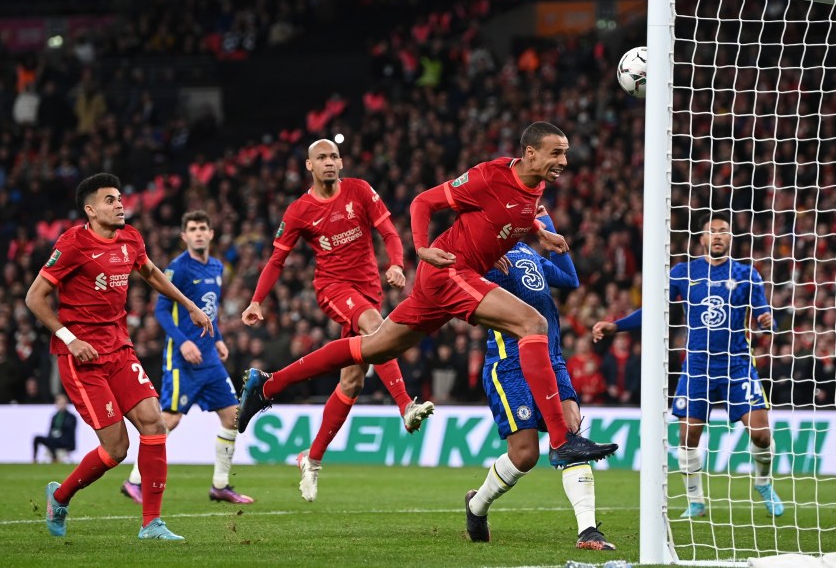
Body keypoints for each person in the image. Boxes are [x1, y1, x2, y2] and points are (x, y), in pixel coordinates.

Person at [238, 122, 618, 470]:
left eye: (565, 153)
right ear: (530, 153)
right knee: (531, 323)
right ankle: (561, 439)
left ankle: (267, 385)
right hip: (448, 269)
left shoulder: (535, 185)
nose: (564, 161)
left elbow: (506, 215)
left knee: (373, 348)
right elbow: (422, 202)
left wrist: (537, 231)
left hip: (444, 280)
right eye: (556, 153)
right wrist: (419, 248)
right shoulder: (488, 175)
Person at [241, 139, 435, 502]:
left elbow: (390, 233)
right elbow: (276, 261)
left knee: (352, 382)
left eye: (333, 157)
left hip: (368, 287)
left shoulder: (360, 191)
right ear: (309, 166)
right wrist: (256, 301)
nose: (329, 162)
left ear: (341, 161)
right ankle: (405, 405)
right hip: (332, 287)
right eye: (321, 158)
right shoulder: (300, 210)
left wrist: (395, 263)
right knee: (377, 328)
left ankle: (310, 459)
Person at [25, 173, 213, 540]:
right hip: (81, 358)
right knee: (116, 448)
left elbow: (152, 273)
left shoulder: (131, 238)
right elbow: (35, 297)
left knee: (154, 423)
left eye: (120, 198)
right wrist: (69, 338)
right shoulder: (73, 243)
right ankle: (60, 497)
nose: (119, 204)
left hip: (120, 348)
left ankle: (151, 524)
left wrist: (188, 304)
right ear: (90, 209)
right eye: (110, 200)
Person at [593, 212, 784, 518]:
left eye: (724, 231)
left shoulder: (747, 274)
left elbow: (764, 315)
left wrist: (767, 322)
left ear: (731, 238)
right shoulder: (684, 273)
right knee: (688, 437)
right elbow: (655, 308)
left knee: (761, 434)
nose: (719, 236)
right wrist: (616, 326)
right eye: (713, 231)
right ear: (702, 240)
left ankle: (763, 483)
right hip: (697, 366)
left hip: (737, 365)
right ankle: (695, 500)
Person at [465, 206, 617, 551]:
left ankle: (588, 531)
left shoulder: (529, 253)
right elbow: (458, 279)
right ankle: (477, 506)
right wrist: (478, 266)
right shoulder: (485, 254)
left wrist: (550, 233)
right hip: (510, 364)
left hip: (552, 359)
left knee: (571, 432)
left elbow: (570, 279)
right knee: (524, 455)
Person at [120, 210, 253, 506]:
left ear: (211, 234)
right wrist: (181, 343)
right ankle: (134, 480)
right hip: (182, 359)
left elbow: (210, 310)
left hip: (209, 359)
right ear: (184, 236)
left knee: (232, 417)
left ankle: (220, 485)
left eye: (203, 228)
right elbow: (161, 310)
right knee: (170, 419)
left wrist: (217, 339)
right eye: (192, 229)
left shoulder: (217, 267)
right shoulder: (177, 268)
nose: (198, 233)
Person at [33, 394, 77, 463]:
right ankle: (34, 459)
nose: (61, 405)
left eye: (63, 403)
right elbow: (50, 430)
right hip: (53, 440)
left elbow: (71, 433)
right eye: (59, 403)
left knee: (52, 440)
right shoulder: (55, 416)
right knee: (37, 438)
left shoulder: (71, 417)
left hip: (64, 441)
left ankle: (55, 458)